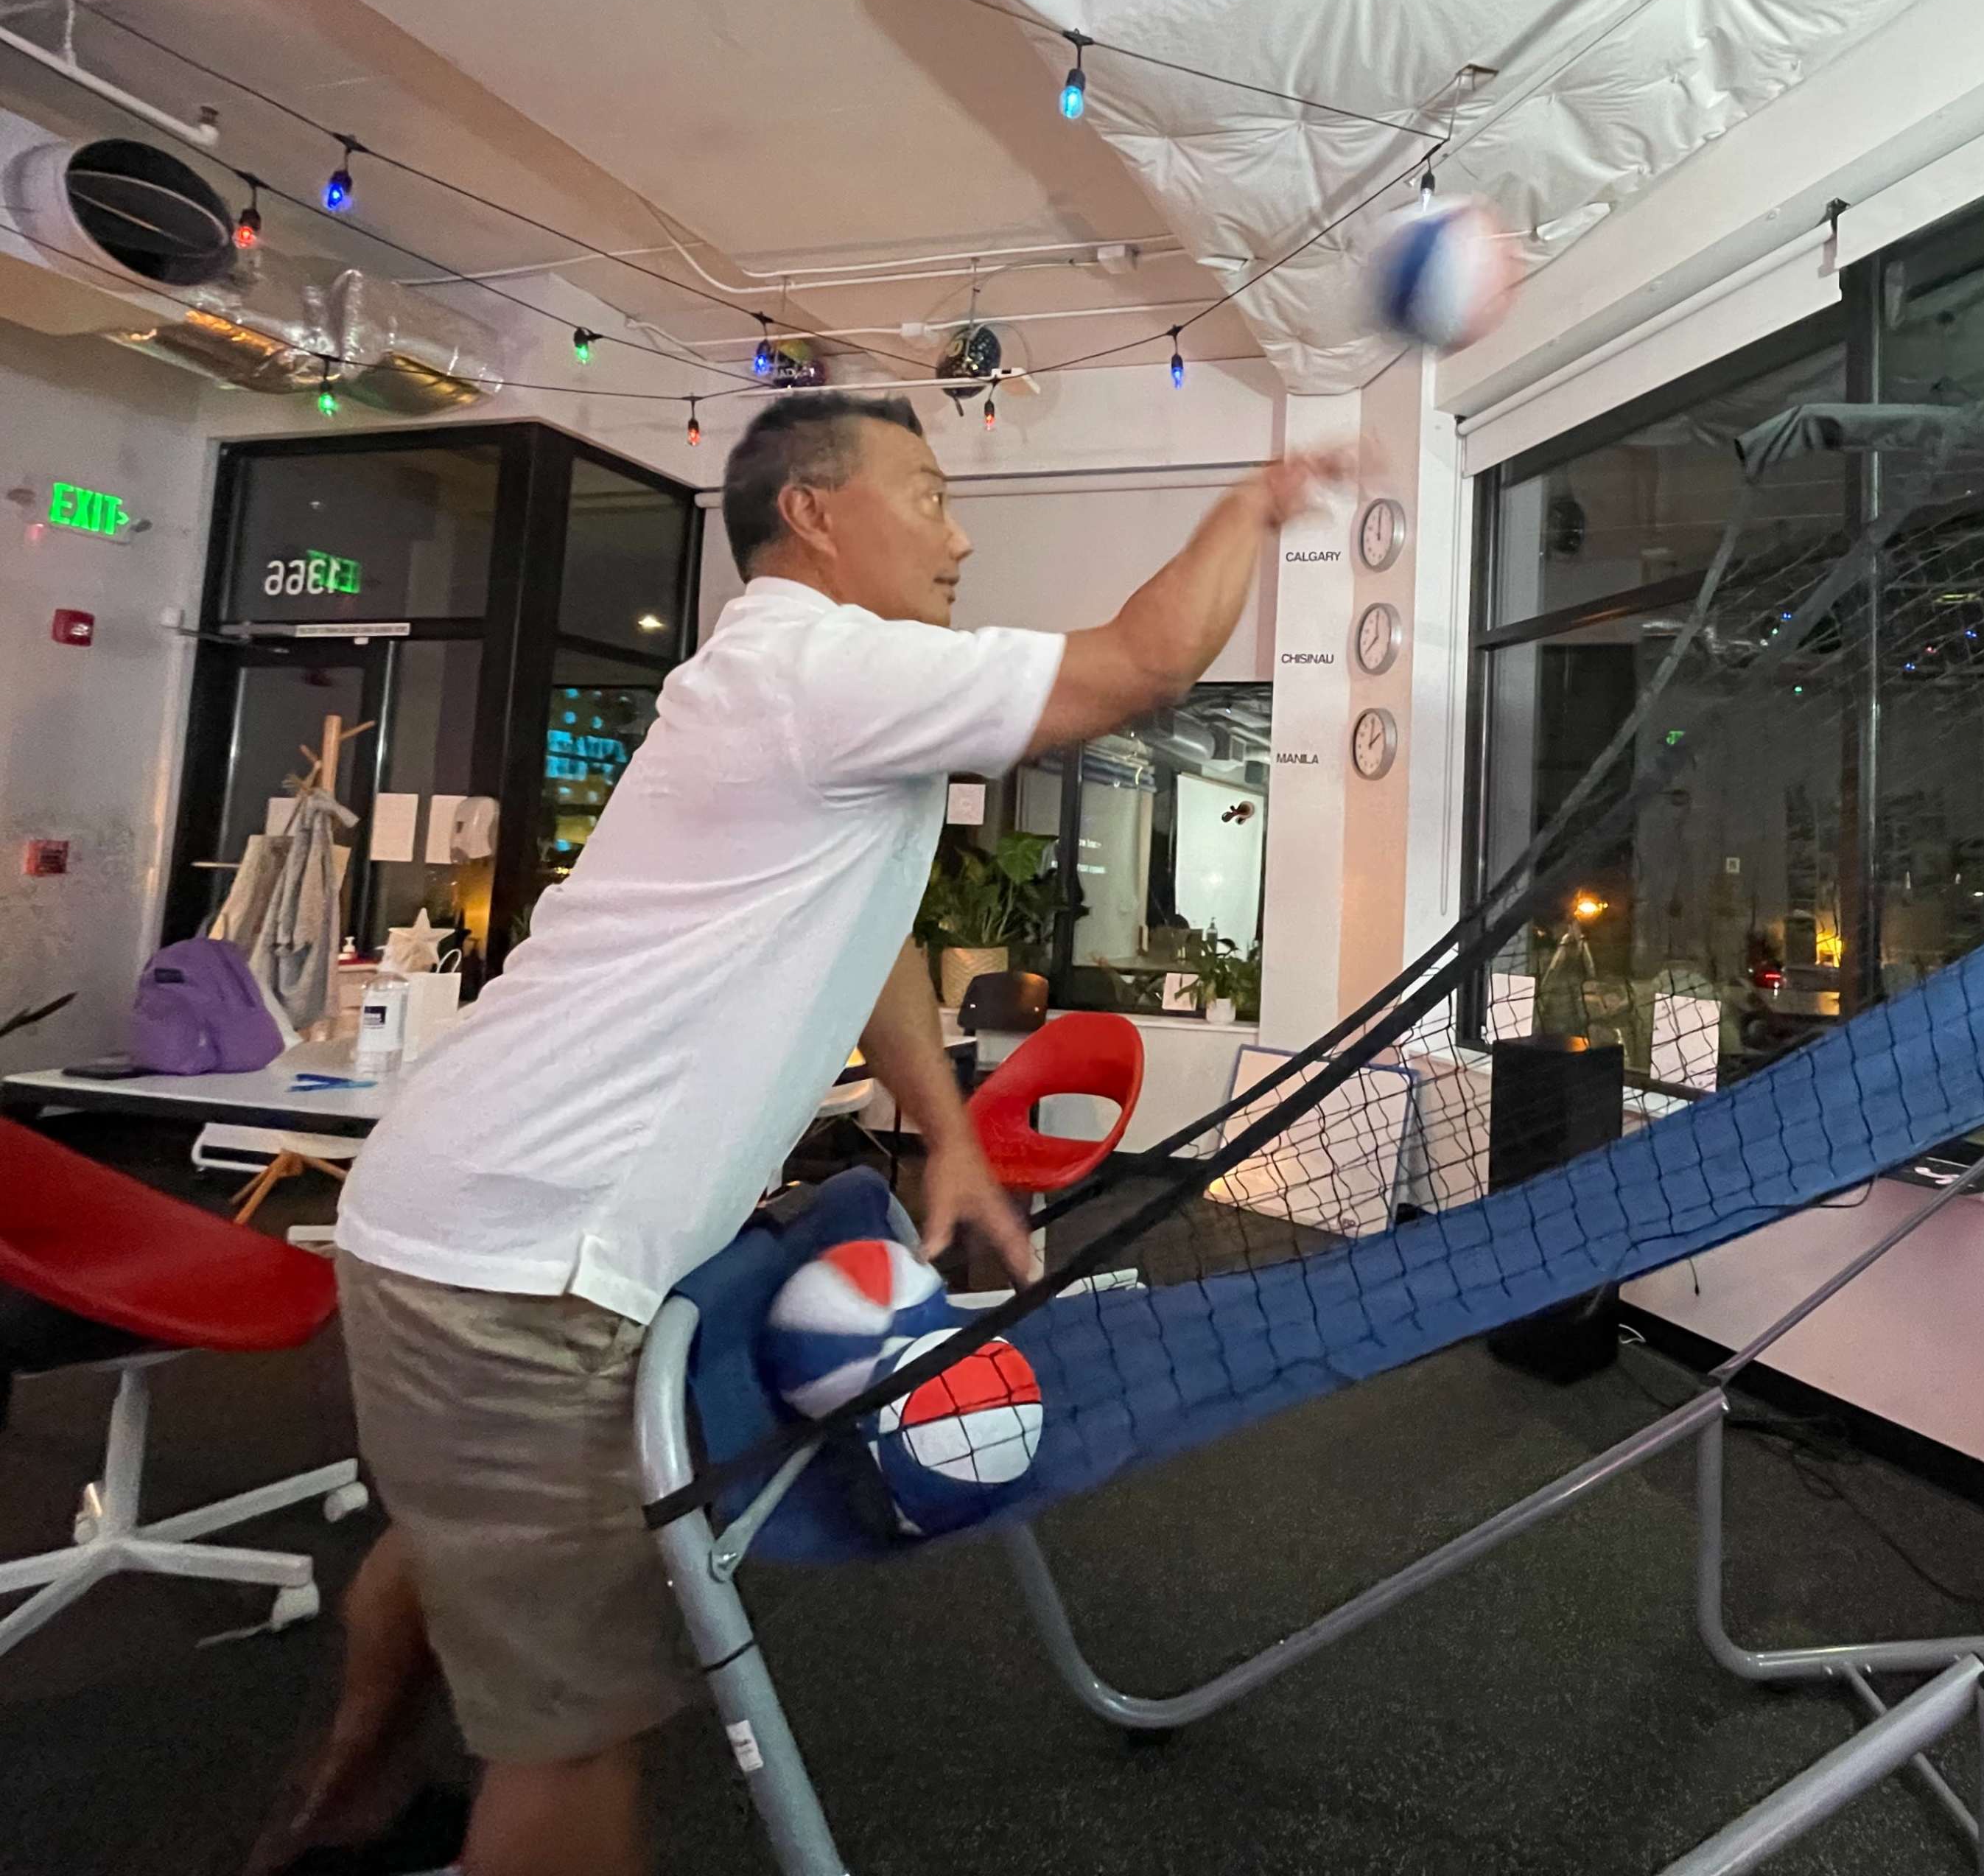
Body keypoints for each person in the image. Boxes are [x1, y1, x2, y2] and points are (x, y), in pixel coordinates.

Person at [249, 391, 1333, 1876]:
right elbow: (1142, 663)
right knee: (570, 1732)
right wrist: (1255, 509)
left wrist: (944, 1128)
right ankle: (363, 1805)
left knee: (463, 1549)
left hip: (470, 1218)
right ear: (814, 513)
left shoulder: (799, 693)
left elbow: (864, 931)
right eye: (930, 494)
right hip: (515, 1259)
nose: (960, 538)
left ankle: (342, 1808)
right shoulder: (824, 661)